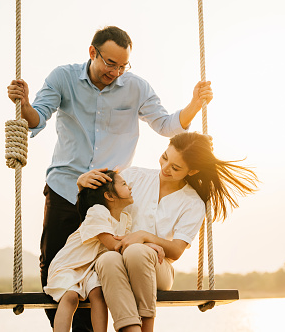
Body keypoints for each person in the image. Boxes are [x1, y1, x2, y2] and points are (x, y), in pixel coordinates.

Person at [6, 26, 213, 331]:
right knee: (55, 264)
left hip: (110, 197)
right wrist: (23, 106)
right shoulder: (62, 78)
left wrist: (195, 104)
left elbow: (168, 125)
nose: (115, 72)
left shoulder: (137, 88)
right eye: (110, 63)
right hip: (66, 187)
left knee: (101, 266)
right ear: (93, 53)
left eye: (122, 66)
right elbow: (37, 118)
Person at [78, 132, 258, 332]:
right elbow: (96, 212)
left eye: (176, 167)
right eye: (165, 157)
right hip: (116, 260)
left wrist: (145, 236)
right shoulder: (133, 177)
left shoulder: (193, 203)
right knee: (106, 260)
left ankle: (147, 328)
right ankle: (130, 330)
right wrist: (82, 185)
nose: (165, 168)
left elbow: (176, 251)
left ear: (192, 170)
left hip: (157, 267)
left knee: (136, 252)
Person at [44, 170, 165, 332]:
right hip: (71, 265)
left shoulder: (124, 219)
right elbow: (113, 245)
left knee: (98, 294)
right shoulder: (97, 212)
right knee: (71, 297)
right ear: (109, 196)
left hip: (90, 268)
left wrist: (142, 244)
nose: (129, 187)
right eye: (123, 184)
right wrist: (148, 245)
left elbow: (126, 242)